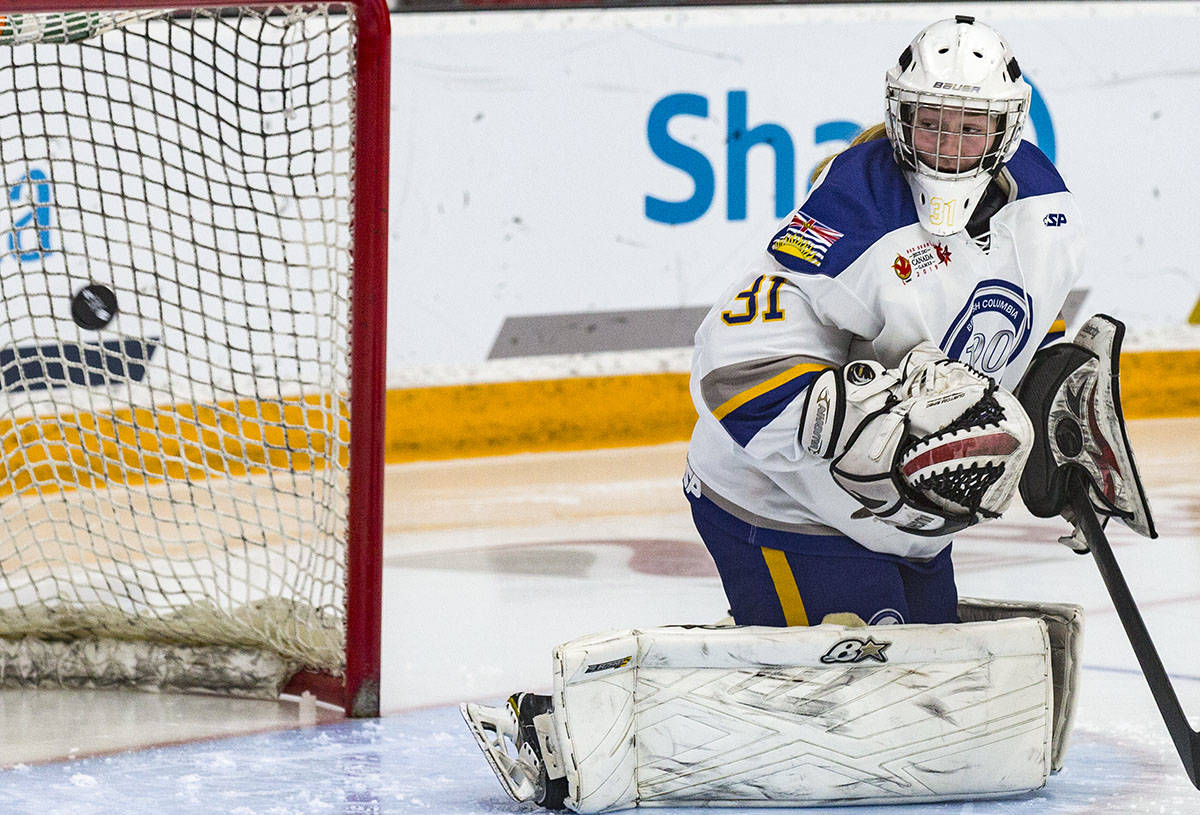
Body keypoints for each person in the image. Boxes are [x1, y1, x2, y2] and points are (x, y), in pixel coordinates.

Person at [683, 14, 1082, 629]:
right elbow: (732, 368)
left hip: (913, 523)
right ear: (902, 117)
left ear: (1006, 129)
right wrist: (868, 429)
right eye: (931, 124)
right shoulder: (855, 210)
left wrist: (1063, 422)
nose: (948, 147)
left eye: (970, 129)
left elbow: (1025, 327)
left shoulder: (1042, 204)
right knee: (845, 703)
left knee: (922, 696)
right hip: (782, 504)